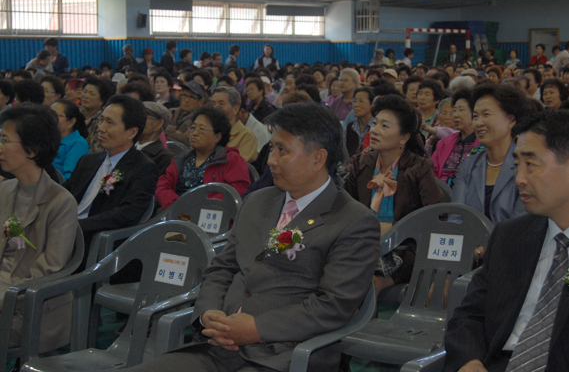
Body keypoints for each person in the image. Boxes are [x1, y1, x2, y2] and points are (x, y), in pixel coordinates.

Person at [124, 103, 380, 372]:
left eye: (282, 150)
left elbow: (333, 305)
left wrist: (257, 329)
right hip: (218, 348)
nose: (270, 160)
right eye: (272, 148)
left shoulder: (352, 220)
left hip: (285, 356)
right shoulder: (258, 201)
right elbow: (222, 268)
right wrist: (210, 314)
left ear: (318, 158)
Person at [444, 109, 569, 372]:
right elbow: (469, 316)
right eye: (517, 165)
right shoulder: (510, 235)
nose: (519, 179)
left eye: (531, 164)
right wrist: (470, 362)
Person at [344, 94, 443, 296]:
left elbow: (437, 216)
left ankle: (365, 326)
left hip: (403, 251)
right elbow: (345, 208)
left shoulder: (418, 168)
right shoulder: (361, 165)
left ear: (404, 137)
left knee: (366, 283)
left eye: (385, 126)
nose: (375, 130)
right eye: (375, 124)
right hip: (364, 246)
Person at [0, 105, 78, 352]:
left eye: (5, 140)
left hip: (28, 307)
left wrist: (5, 297)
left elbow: (49, 269)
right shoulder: (4, 190)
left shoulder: (61, 202)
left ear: (32, 150)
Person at [63, 95, 159, 269]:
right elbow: (64, 194)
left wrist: (76, 226)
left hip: (95, 242)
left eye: (109, 123)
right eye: (101, 120)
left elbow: (126, 214)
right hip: (65, 231)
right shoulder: (88, 161)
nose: (101, 128)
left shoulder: (143, 168)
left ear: (132, 132)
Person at [452, 84, 528, 225]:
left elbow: (521, 227)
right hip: (470, 243)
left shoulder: (527, 167)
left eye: (486, 115)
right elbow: (456, 216)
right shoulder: (469, 164)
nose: (479, 123)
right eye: (475, 116)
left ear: (511, 120)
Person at [155, 106, 250, 210]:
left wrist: (198, 209)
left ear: (217, 136)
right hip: (177, 213)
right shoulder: (182, 158)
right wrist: (179, 206)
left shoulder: (231, 159)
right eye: (193, 128)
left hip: (212, 217)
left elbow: (236, 194)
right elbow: (162, 187)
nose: (194, 133)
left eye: (201, 129)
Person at [432, 88, 479, 187]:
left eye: (461, 110)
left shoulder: (484, 143)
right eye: (455, 110)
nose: (455, 115)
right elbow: (433, 173)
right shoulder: (443, 143)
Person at [211, 86, 258, 163]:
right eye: (213, 103)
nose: (215, 107)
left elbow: (237, 167)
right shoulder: (207, 131)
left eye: (221, 103)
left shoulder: (246, 136)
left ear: (235, 109)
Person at [50, 99, 89, 180]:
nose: (49, 119)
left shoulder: (78, 143)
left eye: (55, 115)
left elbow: (69, 179)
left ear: (71, 122)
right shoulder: (49, 138)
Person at [136, 101, 174, 176]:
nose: (137, 120)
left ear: (159, 124)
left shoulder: (164, 158)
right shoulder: (125, 146)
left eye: (144, 116)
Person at [166, 80, 206, 147]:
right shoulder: (171, 112)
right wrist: (176, 130)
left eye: (191, 97)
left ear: (200, 101)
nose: (186, 100)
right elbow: (159, 130)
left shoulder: (200, 118)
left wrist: (167, 131)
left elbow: (186, 139)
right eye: (184, 95)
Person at [80, 76, 114, 153]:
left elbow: (97, 150)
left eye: (91, 94)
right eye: (84, 91)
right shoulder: (75, 112)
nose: (85, 96)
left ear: (102, 101)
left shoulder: (103, 120)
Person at [345, 86, 374, 159]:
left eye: (361, 101)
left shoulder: (376, 127)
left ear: (372, 104)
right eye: (354, 101)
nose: (356, 105)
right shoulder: (350, 127)